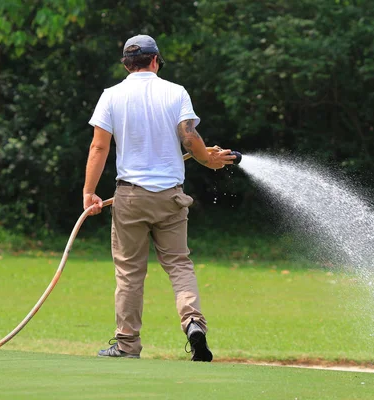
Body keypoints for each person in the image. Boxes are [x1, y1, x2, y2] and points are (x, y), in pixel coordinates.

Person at [83, 34, 236, 361]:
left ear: (126, 64)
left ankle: (126, 345)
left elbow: (99, 146)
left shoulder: (111, 95)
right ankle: (193, 322)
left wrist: (88, 192)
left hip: (130, 198)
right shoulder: (175, 92)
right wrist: (207, 159)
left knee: (129, 273)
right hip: (170, 197)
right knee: (179, 265)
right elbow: (189, 137)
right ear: (155, 61)